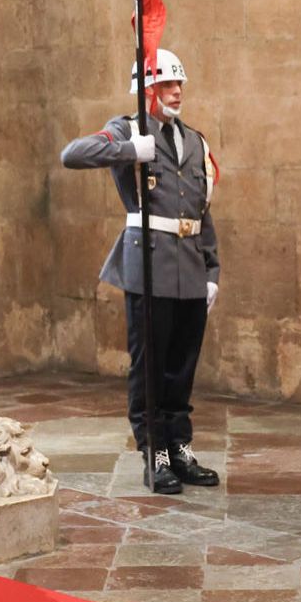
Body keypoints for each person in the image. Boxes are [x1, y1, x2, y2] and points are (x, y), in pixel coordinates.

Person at [59, 50, 221, 494]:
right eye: (168, 85)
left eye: (179, 85)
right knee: (150, 365)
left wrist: (212, 269)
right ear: (147, 90)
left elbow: (202, 210)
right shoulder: (127, 129)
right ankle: (156, 453)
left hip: (189, 266)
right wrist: (131, 149)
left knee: (182, 367)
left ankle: (180, 446)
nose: (177, 92)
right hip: (149, 263)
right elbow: (72, 154)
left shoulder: (195, 140)